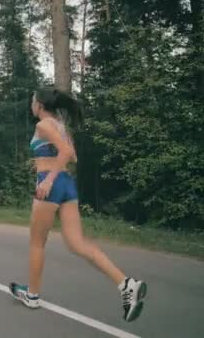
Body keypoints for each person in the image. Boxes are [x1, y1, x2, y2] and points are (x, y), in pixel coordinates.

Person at [9, 87, 147, 322]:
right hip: (67, 184)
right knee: (77, 244)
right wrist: (49, 161)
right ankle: (126, 284)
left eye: (33, 100)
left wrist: (48, 177)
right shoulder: (61, 126)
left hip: (50, 184)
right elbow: (73, 156)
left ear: (40, 104)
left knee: (37, 243)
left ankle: (32, 295)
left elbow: (65, 152)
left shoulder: (43, 126)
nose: (31, 104)